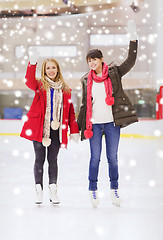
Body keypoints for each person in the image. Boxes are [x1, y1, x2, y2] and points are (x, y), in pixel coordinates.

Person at [77, 20, 138, 207]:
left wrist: (133, 40)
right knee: (95, 158)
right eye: (89, 60)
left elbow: (130, 61)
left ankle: (114, 189)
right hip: (93, 125)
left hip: (112, 124)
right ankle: (93, 190)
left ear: (101, 59)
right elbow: (84, 105)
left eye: (94, 59)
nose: (92, 62)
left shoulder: (114, 73)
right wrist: (76, 127)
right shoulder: (86, 80)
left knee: (113, 158)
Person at [20, 48, 79, 205]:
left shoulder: (66, 90)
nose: (51, 70)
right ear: (44, 70)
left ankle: (53, 191)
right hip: (40, 129)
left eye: (54, 67)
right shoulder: (40, 85)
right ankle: (38, 191)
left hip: (56, 131)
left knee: (53, 160)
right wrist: (32, 63)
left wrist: (74, 131)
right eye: (48, 68)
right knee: (39, 160)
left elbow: (71, 113)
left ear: (57, 69)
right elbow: (28, 80)